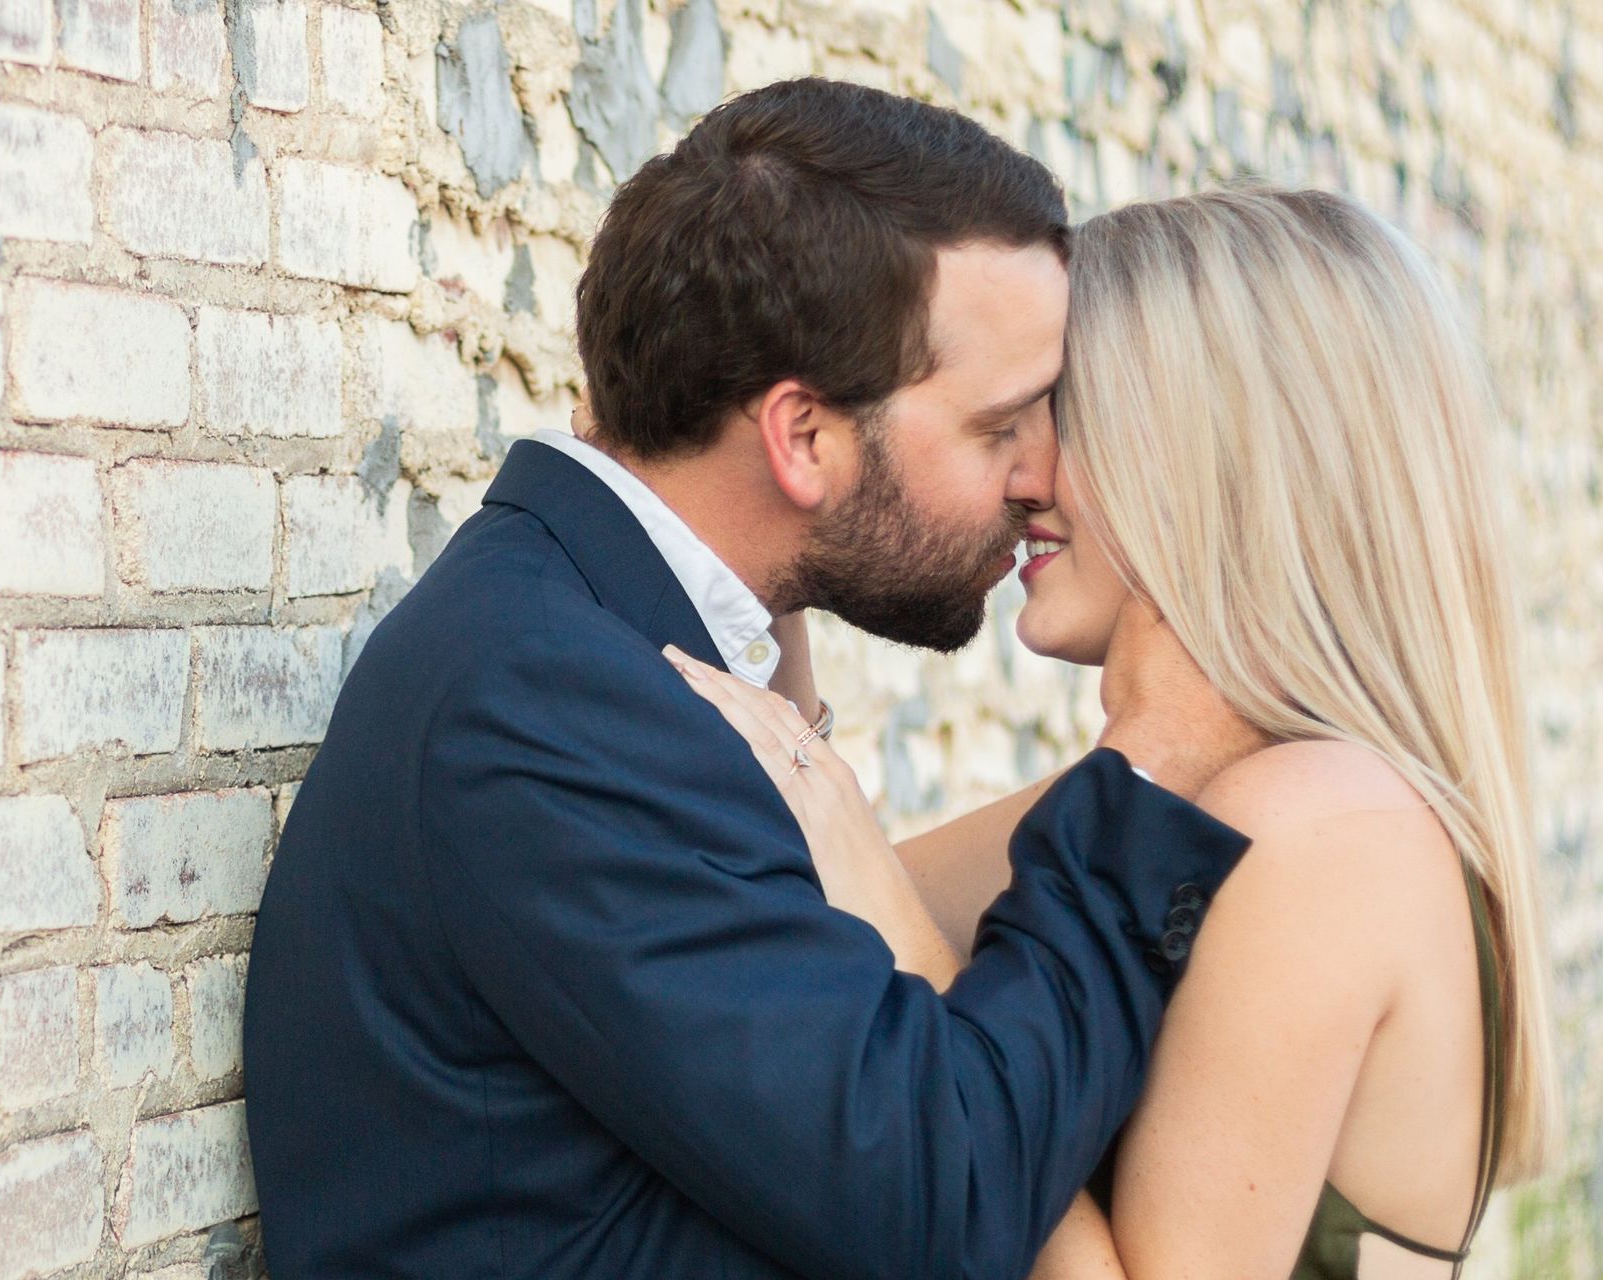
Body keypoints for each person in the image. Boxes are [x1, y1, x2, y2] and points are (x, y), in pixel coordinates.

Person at [242, 78, 1257, 1280]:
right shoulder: (545, 702)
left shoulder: (604, 641)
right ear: (804, 439)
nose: (1041, 474)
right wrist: (1156, 760)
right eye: (1000, 426)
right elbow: (945, 1203)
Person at [670, 186, 1559, 1279]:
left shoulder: (1318, 822)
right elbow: (812, 911)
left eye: (1068, 414)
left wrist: (931, 979)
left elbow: (879, 918)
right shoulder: (1217, 798)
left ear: (1215, 462)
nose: (1025, 476)